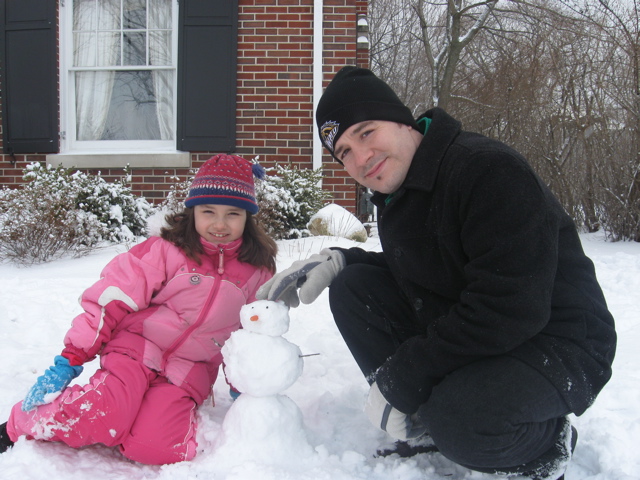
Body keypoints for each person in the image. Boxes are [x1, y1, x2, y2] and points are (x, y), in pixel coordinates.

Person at [257, 66, 616, 480]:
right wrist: (344, 260)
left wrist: (404, 377)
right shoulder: (400, 192)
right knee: (354, 287)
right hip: (492, 329)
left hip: (557, 340)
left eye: (367, 132)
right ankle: (426, 423)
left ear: (401, 119)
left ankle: (545, 444)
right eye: (344, 152)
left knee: (464, 418)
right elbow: (429, 273)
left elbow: (510, 307)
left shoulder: (487, 171)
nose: (361, 158)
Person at [0, 154, 277, 465]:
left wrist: (244, 386)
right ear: (193, 211)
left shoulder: (258, 272)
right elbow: (110, 299)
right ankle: (19, 423)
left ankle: (126, 425)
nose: (219, 224)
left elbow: (249, 335)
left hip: (188, 372)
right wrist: (71, 358)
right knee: (105, 412)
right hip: (137, 349)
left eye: (233, 214)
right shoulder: (166, 251)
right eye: (208, 211)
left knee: (156, 449)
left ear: (248, 217)